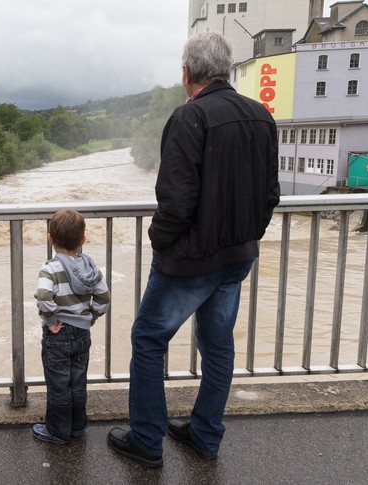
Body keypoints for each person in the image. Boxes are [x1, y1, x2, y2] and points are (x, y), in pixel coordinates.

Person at [107, 31, 280, 468]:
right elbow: (270, 195)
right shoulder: (261, 116)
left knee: (148, 340)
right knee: (218, 346)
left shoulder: (190, 118)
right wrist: (248, 237)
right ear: (226, 70)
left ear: (187, 72)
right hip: (237, 257)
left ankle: (146, 440)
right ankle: (204, 435)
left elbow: (176, 200)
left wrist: (159, 243)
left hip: (190, 261)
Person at [32, 209, 110, 444]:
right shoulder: (90, 267)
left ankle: (57, 431)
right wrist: (92, 315)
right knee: (78, 383)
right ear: (82, 240)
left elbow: (44, 297)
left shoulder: (50, 268)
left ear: (50, 239)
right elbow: (104, 298)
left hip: (59, 335)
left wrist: (51, 321)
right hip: (82, 334)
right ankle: (77, 428)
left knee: (59, 386)